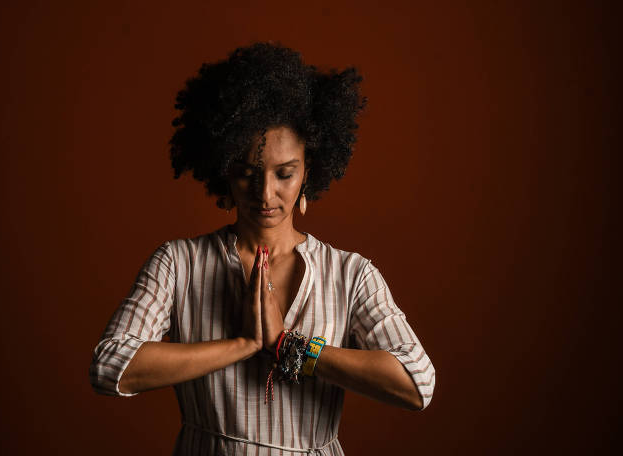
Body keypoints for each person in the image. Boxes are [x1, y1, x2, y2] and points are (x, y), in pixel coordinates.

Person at [89, 42, 435, 455]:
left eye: (285, 174)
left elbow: (417, 383)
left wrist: (289, 346)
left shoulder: (351, 275)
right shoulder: (178, 264)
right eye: (246, 174)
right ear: (223, 173)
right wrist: (242, 345)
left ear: (309, 172)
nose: (265, 193)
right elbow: (110, 367)